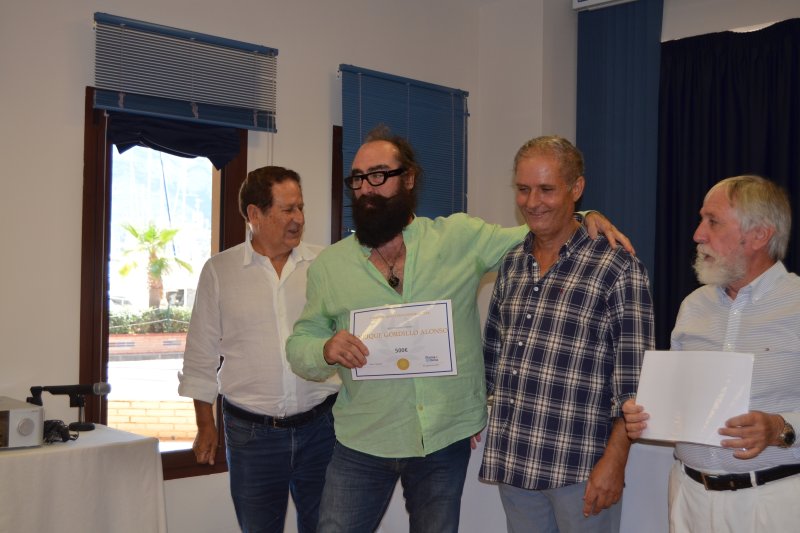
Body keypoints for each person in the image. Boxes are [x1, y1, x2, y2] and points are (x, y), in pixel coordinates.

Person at [285, 127, 632, 532]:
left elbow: (540, 228)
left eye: (378, 175)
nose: (366, 189)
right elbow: (299, 343)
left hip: (442, 442)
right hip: (363, 440)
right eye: (358, 179)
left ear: (408, 178)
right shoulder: (330, 266)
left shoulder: (459, 238)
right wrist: (324, 349)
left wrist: (584, 215)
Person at [478, 136, 654, 533]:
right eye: (523, 189)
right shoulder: (512, 264)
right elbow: (493, 353)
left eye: (546, 189)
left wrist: (616, 461)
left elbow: (636, 381)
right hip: (515, 463)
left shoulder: (617, 267)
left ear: (576, 189)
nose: (532, 202)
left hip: (581, 470)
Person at [622, 175, 800, 533]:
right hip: (690, 497)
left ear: (759, 235)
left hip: (772, 502)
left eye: (713, 221)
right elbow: (677, 401)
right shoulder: (693, 306)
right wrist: (644, 414)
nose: (697, 234)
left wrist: (782, 428)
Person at [178, 166, 340, 533]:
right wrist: (205, 425)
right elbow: (200, 355)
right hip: (252, 436)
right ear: (255, 214)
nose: (299, 218)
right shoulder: (220, 271)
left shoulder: (325, 265)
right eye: (287, 209)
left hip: (323, 429)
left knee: (330, 527)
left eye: (301, 207)